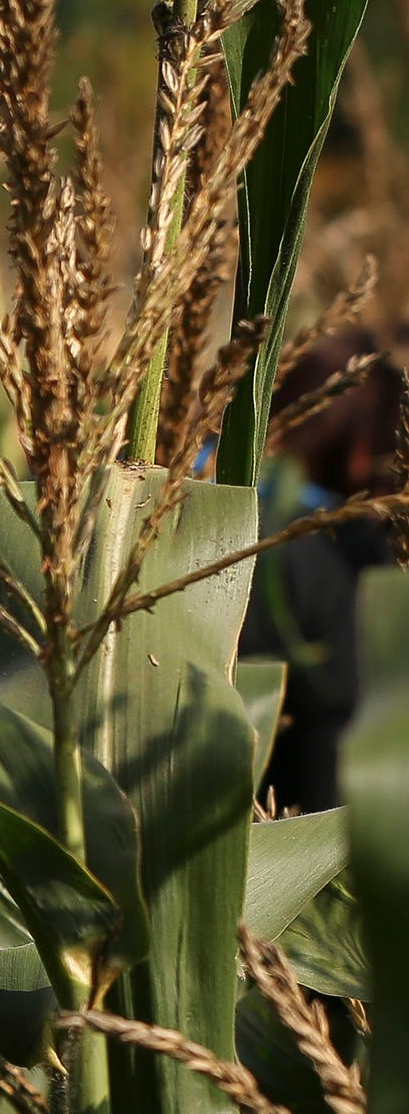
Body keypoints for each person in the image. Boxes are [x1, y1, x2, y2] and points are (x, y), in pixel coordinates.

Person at [243, 324, 404, 810]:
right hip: (272, 837)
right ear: (363, 448)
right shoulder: (341, 549)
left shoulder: (180, 489)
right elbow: (336, 741)